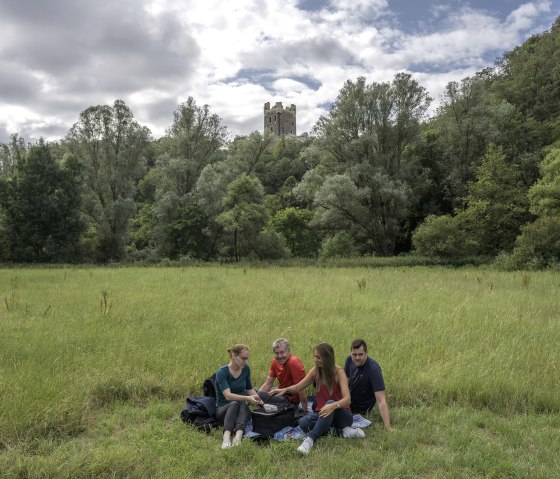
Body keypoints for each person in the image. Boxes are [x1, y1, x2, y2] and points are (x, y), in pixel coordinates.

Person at [271, 342, 365, 454]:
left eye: (319, 357)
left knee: (329, 403)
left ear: (327, 358)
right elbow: (297, 387)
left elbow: (347, 400)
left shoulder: (339, 373)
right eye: (315, 357)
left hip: (343, 416)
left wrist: (333, 405)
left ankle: (309, 440)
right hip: (323, 414)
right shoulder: (315, 371)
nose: (316, 360)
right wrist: (284, 390)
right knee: (303, 422)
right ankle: (343, 433)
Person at [215, 343, 262, 449]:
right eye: (243, 358)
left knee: (243, 405)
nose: (245, 361)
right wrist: (248, 398)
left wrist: (261, 402)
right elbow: (228, 396)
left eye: (247, 359)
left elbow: (249, 389)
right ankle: (226, 438)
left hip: (241, 408)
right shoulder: (222, 372)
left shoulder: (246, 369)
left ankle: (238, 437)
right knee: (235, 403)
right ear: (233, 355)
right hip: (224, 410)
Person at [344, 338, 392, 430]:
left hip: (360, 408)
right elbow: (344, 383)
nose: (357, 358)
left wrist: (388, 427)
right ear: (351, 353)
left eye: (360, 354)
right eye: (354, 354)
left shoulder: (373, 369)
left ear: (366, 352)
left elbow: (381, 400)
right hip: (348, 401)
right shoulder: (349, 360)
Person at [257, 338, 308, 413]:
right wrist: (257, 397)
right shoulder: (275, 361)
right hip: (281, 393)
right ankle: (263, 405)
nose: (279, 356)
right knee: (255, 392)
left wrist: (305, 410)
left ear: (288, 351)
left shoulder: (293, 363)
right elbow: (268, 384)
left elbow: (301, 389)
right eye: (277, 353)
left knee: (259, 394)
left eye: (282, 352)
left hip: (290, 400)